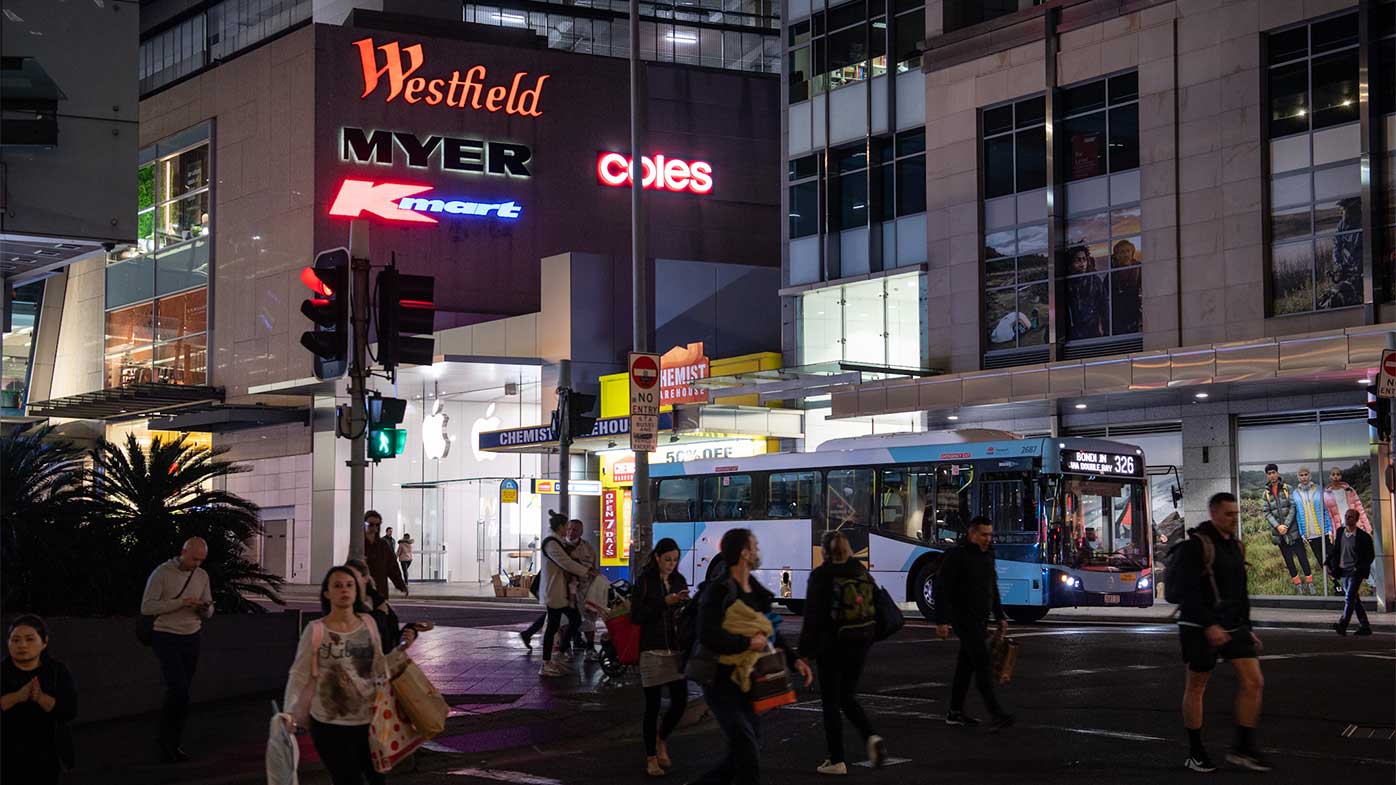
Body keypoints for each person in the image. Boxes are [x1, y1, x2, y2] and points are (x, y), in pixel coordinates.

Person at [690, 528, 813, 785]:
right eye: (754, 547)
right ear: (744, 553)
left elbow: (771, 631)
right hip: (720, 680)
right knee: (746, 749)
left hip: (748, 680)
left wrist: (794, 660)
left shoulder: (756, 591)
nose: (758, 551)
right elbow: (707, 634)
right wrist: (747, 641)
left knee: (746, 748)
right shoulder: (719, 591)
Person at [1176, 492, 1268, 773]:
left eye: (1236, 514)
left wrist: (1248, 628)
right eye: (1228, 514)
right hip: (1198, 625)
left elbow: (1241, 593)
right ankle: (1196, 751)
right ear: (1214, 513)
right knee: (1197, 685)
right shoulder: (1196, 545)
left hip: (1232, 624)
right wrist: (1209, 624)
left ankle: (1243, 748)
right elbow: (1185, 592)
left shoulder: (1235, 547)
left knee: (1254, 682)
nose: (1234, 519)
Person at [283, 566, 393, 785]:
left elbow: (379, 665)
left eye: (349, 585)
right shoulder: (316, 630)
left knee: (377, 779)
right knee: (347, 779)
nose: (344, 590)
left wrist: (387, 703)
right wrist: (289, 711)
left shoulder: (368, 624)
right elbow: (299, 673)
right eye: (338, 585)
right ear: (327, 593)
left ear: (356, 592)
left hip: (368, 720)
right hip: (328, 722)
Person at [798, 530, 887, 775]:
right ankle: (871, 735)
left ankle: (836, 759)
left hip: (832, 646)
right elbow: (878, 604)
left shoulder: (821, 575)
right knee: (847, 696)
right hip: (860, 643)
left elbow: (812, 618)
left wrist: (804, 653)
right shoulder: (860, 571)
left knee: (830, 702)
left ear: (824, 551)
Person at [934, 517, 1013, 732]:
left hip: (980, 620)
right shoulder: (957, 555)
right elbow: (941, 588)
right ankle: (996, 714)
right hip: (963, 619)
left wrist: (1000, 617)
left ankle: (954, 712)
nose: (988, 539)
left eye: (990, 534)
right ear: (972, 534)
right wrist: (941, 621)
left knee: (965, 666)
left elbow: (992, 587)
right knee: (982, 664)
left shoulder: (988, 555)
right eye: (984, 534)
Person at [140, 536, 214, 763]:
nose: (197, 564)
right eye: (194, 559)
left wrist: (203, 608)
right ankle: (165, 743)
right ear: (183, 552)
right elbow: (147, 607)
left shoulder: (202, 576)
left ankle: (173, 743)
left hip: (192, 635)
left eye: (201, 560)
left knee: (182, 694)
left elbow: (209, 608)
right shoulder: (162, 573)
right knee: (178, 690)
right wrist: (181, 603)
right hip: (166, 635)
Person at [630, 538, 691, 777]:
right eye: (667, 560)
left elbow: (685, 613)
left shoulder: (679, 580)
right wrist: (664, 602)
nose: (671, 565)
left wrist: (684, 604)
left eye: (675, 560)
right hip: (651, 649)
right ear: (657, 557)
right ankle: (651, 758)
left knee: (680, 701)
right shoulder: (645, 581)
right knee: (652, 707)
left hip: (676, 649)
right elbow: (637, 616)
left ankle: (661, 738)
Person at [2, 616, 77, 785]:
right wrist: (17, 697)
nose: (22, 645)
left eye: (29, 639)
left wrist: (40, 697)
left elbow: (69, 711)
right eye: (16, 640)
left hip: (48, 757)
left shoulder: (57, 671)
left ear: (44, 642)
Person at [538, 512, 595, 677]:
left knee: (575, 619)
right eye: (567, 527)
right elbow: (567, 563)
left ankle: (560, 653)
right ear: (561, 527)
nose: (569, 530)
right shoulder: (551, 543)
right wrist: (587, 571)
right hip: (554, 592)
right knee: (553, 626)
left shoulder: (558, 542)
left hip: (562, 591)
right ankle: (546, 663)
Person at [344, 558, 422, 653]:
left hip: (383, 662)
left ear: (365, 578)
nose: (348, 582)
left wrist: (410, 630)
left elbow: (392, 637)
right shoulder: (344, 604)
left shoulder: (378, 601)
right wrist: (379, 614)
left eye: (352, 577)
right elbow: (358, 633)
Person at [1261, 464, 1312, 595]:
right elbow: (1266, 512)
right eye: (1269, 473)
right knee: (1288, 560)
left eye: (1273, 472)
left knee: (1302, 557)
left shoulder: (1287, 488)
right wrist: (1278, 526)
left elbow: (1293, 507)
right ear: (1267, 475)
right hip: (1279, 534)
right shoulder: (1265, 494)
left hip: (1293, 531)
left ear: (1277, 473)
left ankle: (1310, 583)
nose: (1272, 475)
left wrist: (1286, 526)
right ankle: (1298, 585)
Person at [1327, 509, 1375, 636]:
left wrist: (1360, 567)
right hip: (1343, 570)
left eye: (1351, 517)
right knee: (1354, 599)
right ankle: (1365, 626)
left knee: (1349, 597)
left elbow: (1370, 555)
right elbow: (1336, 550)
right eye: (1346, 516)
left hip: (1355, 571)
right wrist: (1328, 563)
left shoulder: (1363, 536)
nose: (1348, 519)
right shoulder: (1341, 532)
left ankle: (1343, 624)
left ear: (1357, 519)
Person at [565, 518, 599, 656]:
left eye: (575, 529)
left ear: (581, 532)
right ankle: (565, 647)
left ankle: (590, 647)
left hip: (584, 589)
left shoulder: (588, 548)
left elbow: (594, 569)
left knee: (589, 618)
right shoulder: (559, 547)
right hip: (565, 591)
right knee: (564, 621)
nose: (571, 532)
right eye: (569, 529)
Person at [1291, 467, 1332, 580]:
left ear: (1310, 475)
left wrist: (1330, 529)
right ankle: (1336, 585)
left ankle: (1342, 582)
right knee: (1321, 561)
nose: (1304, 477)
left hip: (1324, 531)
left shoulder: (1319, 489)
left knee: (1332, 558)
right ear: (1298, 477)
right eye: (1301, 475)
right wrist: (1302, 533)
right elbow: (1298, 515)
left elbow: (1326, 510)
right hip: (1310, 534)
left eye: (1306, 474)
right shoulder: (1295, 494)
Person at [1066, 245, 1108, 340]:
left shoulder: (1095, 280)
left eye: (1084, 259)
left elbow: (1104, 305)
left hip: (1094, 328)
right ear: (1071, 263)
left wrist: (1105, 329)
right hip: (1075, 331)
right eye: (1078, 260)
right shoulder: (1068, 283)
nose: (1082, 263)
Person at [363, 512, 408, 598]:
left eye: (377, 525)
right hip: (363, 591)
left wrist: (400, 584)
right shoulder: (359, 544)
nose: (374, 528)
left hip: (380, 589)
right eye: (371, 524)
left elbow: (392, 566)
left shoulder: (383, 545)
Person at [1323, 468, 1372, 536]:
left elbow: (1359, 509)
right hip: (1339, 527)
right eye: (1333, 474)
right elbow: (1328, 516)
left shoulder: (1349, 491)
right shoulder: (1326, 495)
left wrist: (1367, 527)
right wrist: (1331, 532)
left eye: (1338, 474)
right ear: (1330, 477)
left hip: (1354, 524)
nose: (1335, 476)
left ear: (1341, 476)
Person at [1110, 238, 1142, 335]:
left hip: (1137, 321)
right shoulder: (1111, 275)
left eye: (1128, 251)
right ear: (1116, 255)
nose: (1126, 255)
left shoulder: (1140, 270)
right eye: (1122, 252)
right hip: (1118, 324)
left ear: (1132, 253)